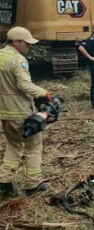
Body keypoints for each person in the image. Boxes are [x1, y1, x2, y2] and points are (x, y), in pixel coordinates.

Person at [0, 26, 52, 198]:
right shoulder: (17, 60)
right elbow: (24, 85)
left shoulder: (1, 56)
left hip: (5, 112)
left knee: (13, 145)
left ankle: (4, 182)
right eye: (26, 44)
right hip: (20, 111)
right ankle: (33, 184)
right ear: (16, 42)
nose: (28, 47)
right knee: (33, 147)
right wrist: (43, 93)